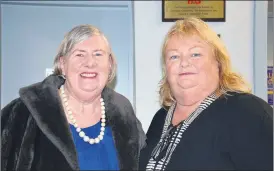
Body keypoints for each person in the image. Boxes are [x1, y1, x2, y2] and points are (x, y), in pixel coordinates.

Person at [1, 24, 146, 171]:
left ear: (109, 65)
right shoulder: (24, 112)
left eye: (98, 54)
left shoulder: (124, 113)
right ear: (63, 64)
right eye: (79, 54)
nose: (90, 63)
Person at [139, 17, 273, 171]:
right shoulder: (160, 118)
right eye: (174, 56)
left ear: (218, 63)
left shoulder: (248, 112)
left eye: (195, 54)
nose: (184, 63)